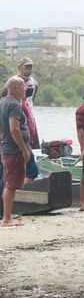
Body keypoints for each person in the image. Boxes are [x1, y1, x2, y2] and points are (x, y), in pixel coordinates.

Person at [0, 77, 30, 226]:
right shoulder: (14, 105)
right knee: (11, 184)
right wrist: (24, 149)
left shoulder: (3, 102)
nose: (26, 89)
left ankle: (7, 216)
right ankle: (6, 218)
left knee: (9, 182)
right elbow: (14, 128)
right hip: (13, 149)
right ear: (17, 87)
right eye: (24, 86)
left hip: (7, 148)